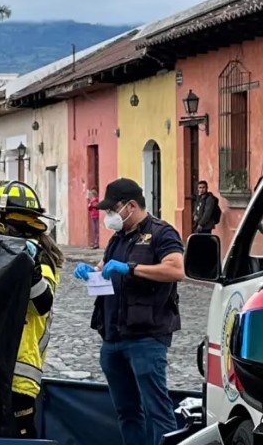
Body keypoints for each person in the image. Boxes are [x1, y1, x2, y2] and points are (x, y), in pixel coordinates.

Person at [72, 177, 185, 445]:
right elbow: (104, 266)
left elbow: (176, 269)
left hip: (146, 336)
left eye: (113, 209)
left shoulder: (161, 233)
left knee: (157, 410)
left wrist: (131, 268)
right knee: (127, 411)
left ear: (131, 206)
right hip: (112, 336)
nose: (109, 215)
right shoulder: (118, 237)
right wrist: (91, 271)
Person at [0, 181, 64, 439]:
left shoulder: (40, 259)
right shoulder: (4, 255)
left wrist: (31, 267)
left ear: (5, 223)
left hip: (18, 375)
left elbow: (42, 304)